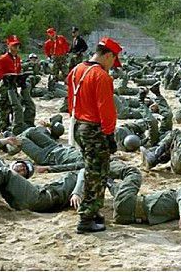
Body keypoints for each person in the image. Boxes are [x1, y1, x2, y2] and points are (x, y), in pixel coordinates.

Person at [67, 36, 120, 233]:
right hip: (93, 128)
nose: (113, 64)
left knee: (93, 168)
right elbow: (106, 109)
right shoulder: (101, 76)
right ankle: (86, 218)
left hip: (78, 124)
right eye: (113, 59)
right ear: (107, 55)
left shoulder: (76, 70)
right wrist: (109, 135)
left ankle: (95, 211)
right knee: (96, 173)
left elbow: (70, 99)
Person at [0, 35, 26, 134]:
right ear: (9, 46)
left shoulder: (17, 58)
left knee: (15, 105)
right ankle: (3, 128)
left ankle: (14, 126)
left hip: (13, 84)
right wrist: (2, 77)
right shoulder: (4, 58)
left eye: (17, 46)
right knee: (4, 106)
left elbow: (18, 70)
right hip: (5, 85)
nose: (16, 48)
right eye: (14, 46)